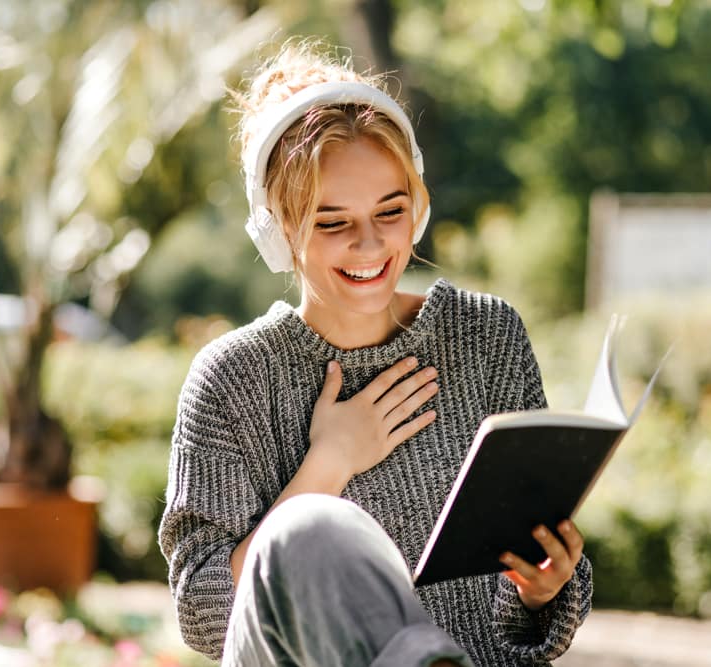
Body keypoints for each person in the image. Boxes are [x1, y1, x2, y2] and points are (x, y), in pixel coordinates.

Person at [158, 39, 592, 667]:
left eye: (390, 211)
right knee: (304, 532)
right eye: (332, 222)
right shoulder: (232, 379)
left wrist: (544, 591)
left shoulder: (487, 338)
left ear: (417, 210)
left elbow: (531, 612)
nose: (369, 246)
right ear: (278, 230)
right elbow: (204, 615)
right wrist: (328, 465)